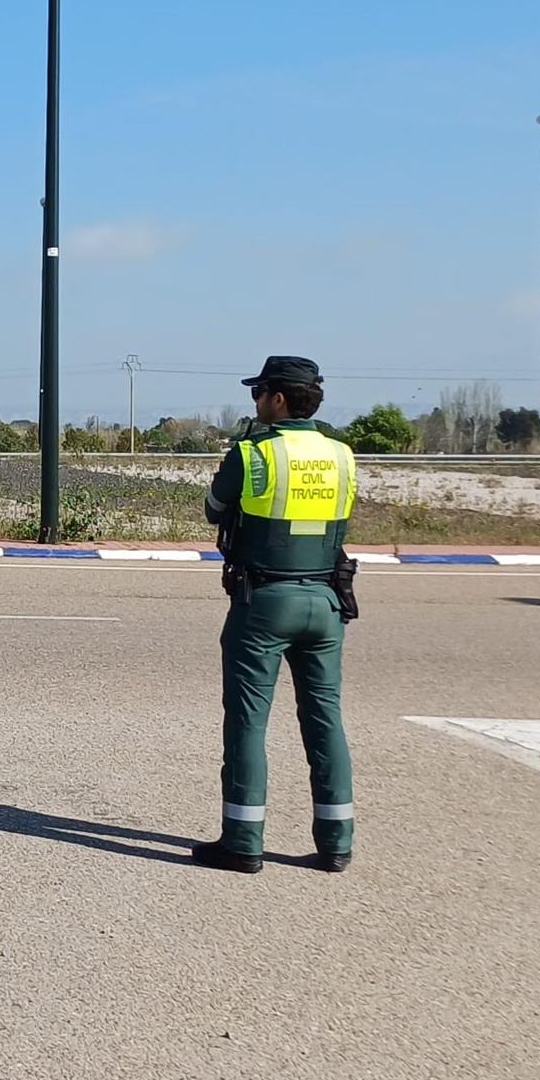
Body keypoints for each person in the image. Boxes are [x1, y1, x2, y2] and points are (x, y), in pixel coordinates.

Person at [196, 355, 360, 876]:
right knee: (325, 720)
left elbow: (213, 508)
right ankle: (336, 844)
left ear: (279, 398)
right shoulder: (342, 455)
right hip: (327, 600)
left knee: (248, 722)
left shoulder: (254, 453)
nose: (255, 402)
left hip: (264, 600)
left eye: (258, 393)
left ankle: (243, 842)